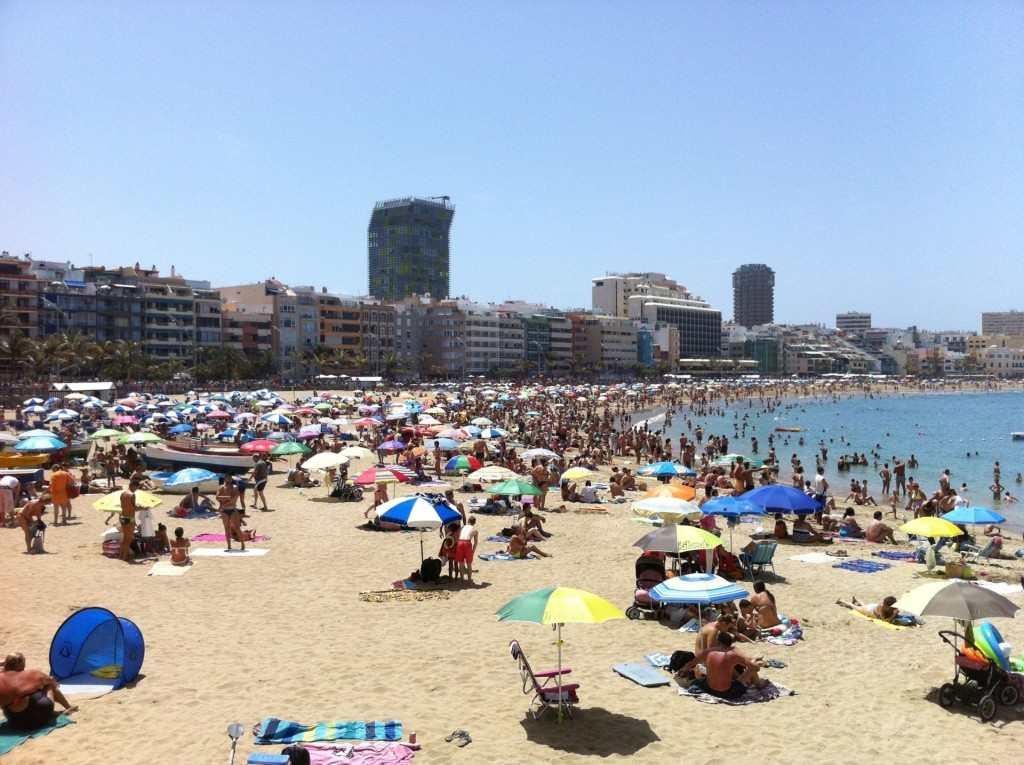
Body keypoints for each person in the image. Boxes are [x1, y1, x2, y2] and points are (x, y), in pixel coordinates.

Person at [1, 655, 78, 730]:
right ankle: (68, 707)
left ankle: (54, 712)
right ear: (22, 664)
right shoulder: (32, 674)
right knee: (49, 685)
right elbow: (54, 682)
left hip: (15, 722)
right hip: (37, 721)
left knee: (15, 699)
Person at [682, 632, 765, 700]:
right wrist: (755, 663)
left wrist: (683, 670)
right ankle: (759, 684)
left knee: (701, 678)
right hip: (729, 693)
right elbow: (754, 668)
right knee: (752, 667)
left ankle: (756, 664)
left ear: (718, 641)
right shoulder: (733, 654)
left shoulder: (709, 651)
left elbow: (690, 664)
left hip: (710, 689)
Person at [216, 477, 245, 552]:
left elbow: (234, 499)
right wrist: (227, 497)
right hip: (224, 510)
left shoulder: (235, 488)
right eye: (227, 478)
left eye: (229, 478)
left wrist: (224, 501)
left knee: (237, 528)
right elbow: (217, 497)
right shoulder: (221, 487)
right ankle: (229, 546)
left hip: (231, 509)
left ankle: (242, 544)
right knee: (226, 528)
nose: (228, 480)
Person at [119, 479, 139, 563]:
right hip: (129, 518)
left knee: (124, 538)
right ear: (133, 486)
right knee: (128, 539)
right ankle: (124, 557)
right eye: (136, 488)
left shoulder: (122, 494)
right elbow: (133, 508)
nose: (136, 490)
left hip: (122, 517)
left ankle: (121, 555)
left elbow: (124, 506)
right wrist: (144, 508)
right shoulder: (132, 495)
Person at [454, 515, 478, 582]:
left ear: (468, 521)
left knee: (461, 563)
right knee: (469, 563)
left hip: (460, 542)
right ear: (474, 522)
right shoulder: (475, 530)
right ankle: (469, 579)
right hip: (467, 543)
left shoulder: (462, 527)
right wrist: (473, 552)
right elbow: (475, 543)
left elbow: (456, 536)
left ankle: (462, 579)